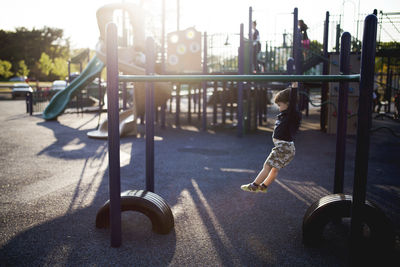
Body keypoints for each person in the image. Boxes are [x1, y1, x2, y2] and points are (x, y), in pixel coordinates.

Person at [241, 82, 302, 193]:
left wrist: (294, 87)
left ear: (288, 104)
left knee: (267, 166)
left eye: (280, 105)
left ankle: (254, 185)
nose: (279, 108)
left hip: (284, 147)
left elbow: (293, 101)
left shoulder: (291, 113)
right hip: (287, 147)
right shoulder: (285, 114)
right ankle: (263, 187)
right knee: (274, 169)